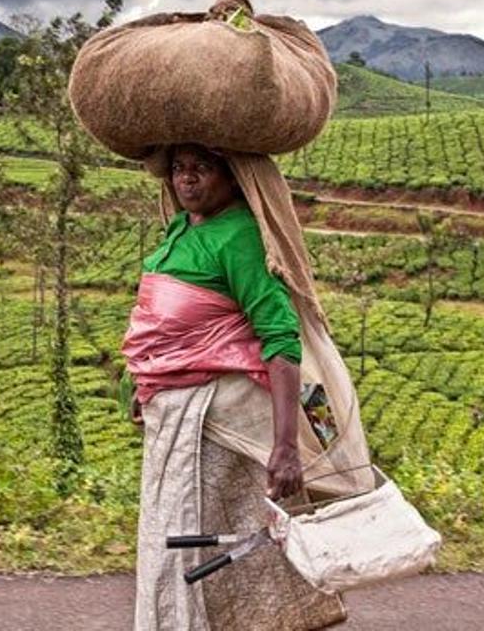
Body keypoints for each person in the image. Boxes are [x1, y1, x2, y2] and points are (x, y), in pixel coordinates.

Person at [124, 143, 347, 631]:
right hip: (175, 427)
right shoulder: (182, 227)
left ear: (232, 177)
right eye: (180, 169)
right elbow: (159, 323)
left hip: (217, 429)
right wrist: (139, 386)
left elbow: (278, 336)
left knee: (215, 555)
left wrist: (286, 446)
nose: (187, 180)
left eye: (201, 169)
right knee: (172, 544)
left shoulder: (240, 235)